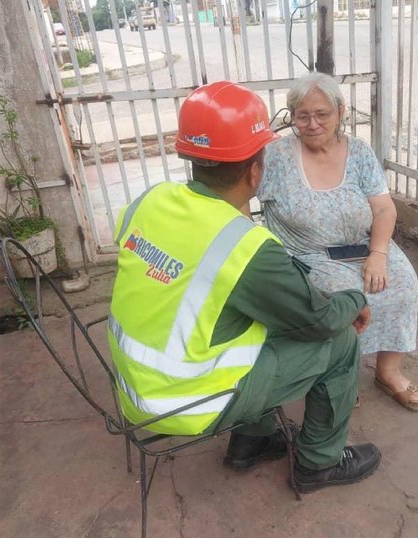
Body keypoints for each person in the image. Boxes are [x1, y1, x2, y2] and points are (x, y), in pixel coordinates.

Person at [108, 80, 381, 493]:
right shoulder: (244, 246)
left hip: (132, 389)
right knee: (340, 343)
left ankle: (252, 441)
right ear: (256, 170)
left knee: (253, 320)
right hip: (186, 402)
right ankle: (318, 463)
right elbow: (321, 321)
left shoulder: (149, 200)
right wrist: (355, 297)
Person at [260, 73, 418, 410]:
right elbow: (241, 192)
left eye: (322, 114)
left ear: (341, 112)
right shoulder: (275, 158)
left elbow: (383, 208)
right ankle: (341, 375)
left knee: (403, 283)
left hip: (364, 246)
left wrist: (378, 253)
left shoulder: (360, 152)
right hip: (308, 254)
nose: (312, 124)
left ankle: (388, 371)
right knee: (340, 299)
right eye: (302, 115)